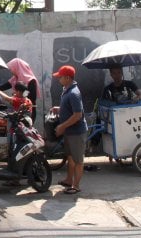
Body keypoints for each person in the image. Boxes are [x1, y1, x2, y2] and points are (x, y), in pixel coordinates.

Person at [51, 65, 87, 195]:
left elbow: (77, 115)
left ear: (67, 78)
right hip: (70, 132)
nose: (58, 79)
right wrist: (59, 109)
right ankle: (68, 180)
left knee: (78, 160)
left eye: (60, 77)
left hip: (76, 133)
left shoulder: (73, 93)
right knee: (70, 158)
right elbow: (69, 109)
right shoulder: (66, 90)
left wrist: (62, 126)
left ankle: (76, 186)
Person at [0, 58, 40, 123]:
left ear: (16, 68)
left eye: (11, 69)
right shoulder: (15, 78)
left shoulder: (31, 80)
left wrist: (17, 96)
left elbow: (32, 97)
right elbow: (3, 87)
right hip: (19, 113)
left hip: (28, 114)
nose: (11, 71)